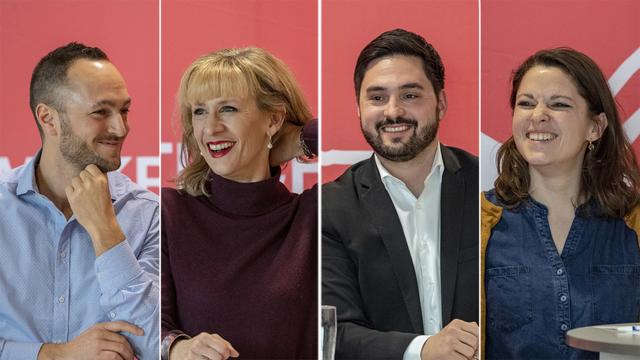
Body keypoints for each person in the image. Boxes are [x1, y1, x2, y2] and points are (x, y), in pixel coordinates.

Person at [322, 28, 479, 360]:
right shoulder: (331, 207)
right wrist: (423, 349)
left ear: (441, 103)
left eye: (410, 95)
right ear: (358, 108)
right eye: (377, 97)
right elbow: (335, 333)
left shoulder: (487, 189)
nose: (393, 112)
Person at [0, 42, 159, 360]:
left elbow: (156, 341)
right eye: (101, 112)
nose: (120, 127)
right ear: (49, 119)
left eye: (124, 110)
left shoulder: (149, 213)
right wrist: (50, 355)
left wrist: (106, 232)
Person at [481, 48, 640, 359]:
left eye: (559, 104)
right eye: (525, 103)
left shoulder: (633, 222)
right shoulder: (479, 224)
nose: (538, 114)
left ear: (595, 127)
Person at [160, 47, 318, 360]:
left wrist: (300, 139)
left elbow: (375, 135)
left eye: (228, 109)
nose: (210, 128)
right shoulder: (170, 212)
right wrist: (180, 348)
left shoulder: (312, 214)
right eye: (199, 111)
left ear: (273, 118)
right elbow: (147, 324)